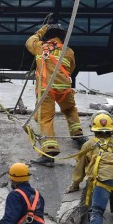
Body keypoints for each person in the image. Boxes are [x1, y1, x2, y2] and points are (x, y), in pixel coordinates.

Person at [25, 23, 86, 167]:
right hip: (64, 89)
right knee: (70, 110)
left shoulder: (40, 47)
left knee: (45, 118)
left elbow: (29, 41)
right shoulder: (69, 51)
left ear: (47, 36)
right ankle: (78, 135)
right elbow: (71, 68)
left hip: (47, 90)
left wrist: (40, 31)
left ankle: (49, 151)